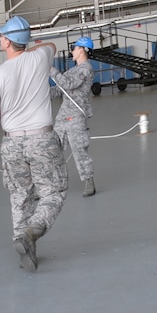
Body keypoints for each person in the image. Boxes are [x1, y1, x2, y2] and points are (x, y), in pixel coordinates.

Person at [0, 15, 66, 272]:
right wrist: (27, 46)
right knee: (53, 193)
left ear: (5, 42)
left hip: (11, 143)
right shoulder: (41, 57)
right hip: (42, 139)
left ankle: (24, 245)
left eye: (2, 35)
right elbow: (50, 45)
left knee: (20, 196)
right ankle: (31, 233)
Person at [52, 37, 97, 196]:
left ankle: (88, 181)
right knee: (52, 150)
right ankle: (53, 185)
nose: (72, 50)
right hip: (63, 116)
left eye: (74, 47)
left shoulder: (86, 69)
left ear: (83, 49)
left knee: (79, 150)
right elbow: (59, 89)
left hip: (76, 116)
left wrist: (51, 70)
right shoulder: (71, 71)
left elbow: (69, 84)